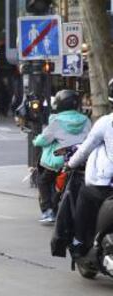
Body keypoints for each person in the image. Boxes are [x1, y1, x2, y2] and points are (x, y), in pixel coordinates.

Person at [66, 79, 113, 258]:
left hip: (106, 187)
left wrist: (69, 164)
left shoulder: (106, 122)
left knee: (85, 194)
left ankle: (79, 242)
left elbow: (85, 148)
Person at [33, 90, 91, 223]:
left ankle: (48, 211)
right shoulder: (86, 120)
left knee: (43, 181)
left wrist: (35, 140)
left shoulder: (57, 121)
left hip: (60, 159)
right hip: (81, 159)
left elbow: (43, 140)